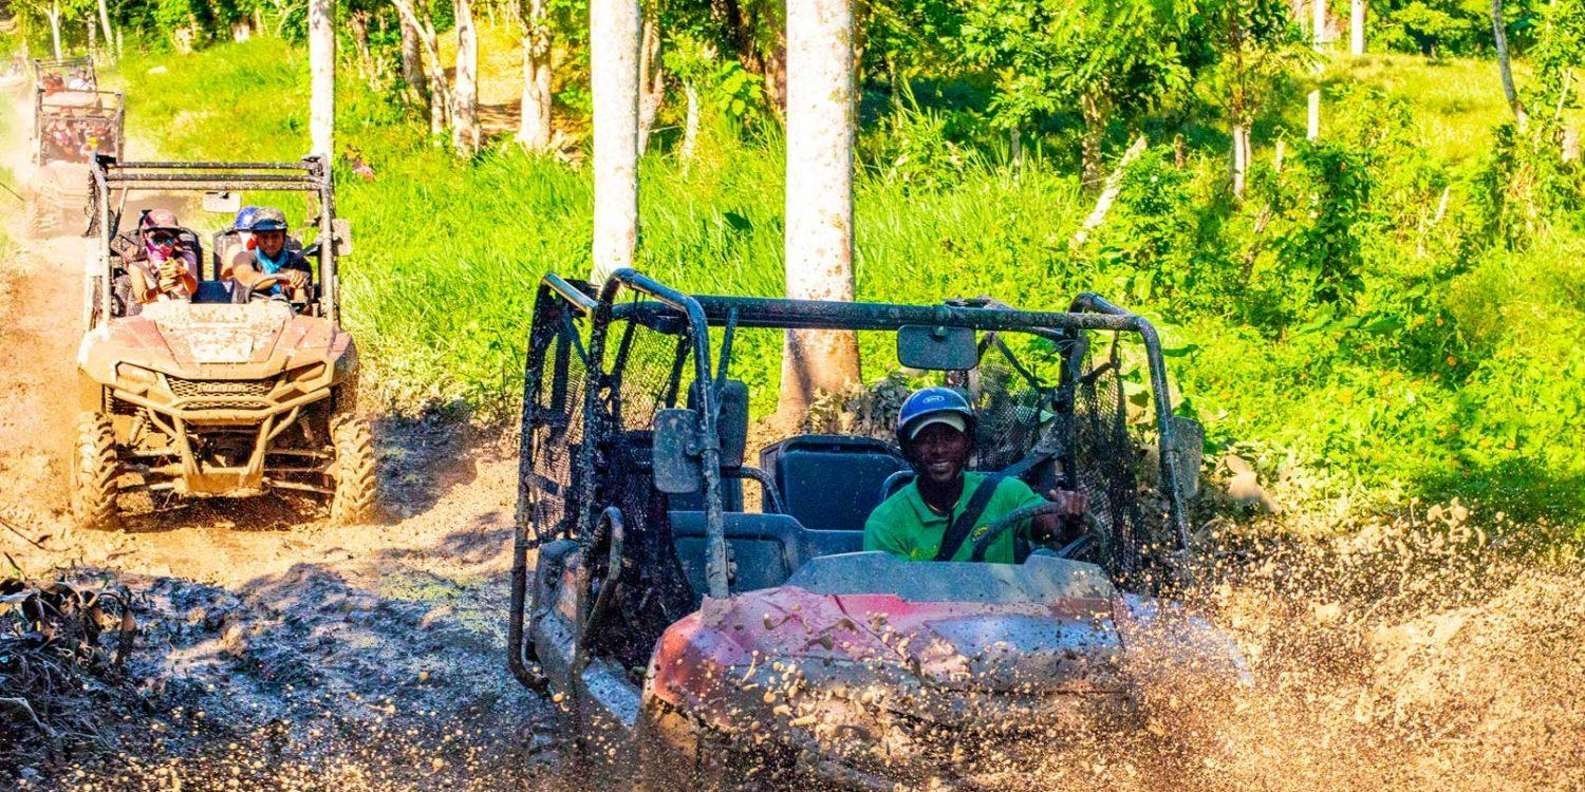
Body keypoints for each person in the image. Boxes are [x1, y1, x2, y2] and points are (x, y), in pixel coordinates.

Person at [863, 387, 1088, 564]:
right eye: (925, 439)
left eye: (950, 436)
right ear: (910, 448)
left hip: (1002, 618)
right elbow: (885, 603)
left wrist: (1067, 517)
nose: (939, 449)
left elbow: (1049, 528)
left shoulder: (1007, 493)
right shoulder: (886, 522)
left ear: (968, 442)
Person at [111, 209, 197, 309]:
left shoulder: (186, 258)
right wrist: (158, 290)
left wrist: (183, 273)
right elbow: (141, 297)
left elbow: (192, 289)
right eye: (157, 239)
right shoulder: (138, 266)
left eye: (168, 240)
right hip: (153, 317)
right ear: (145, 236)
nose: (163, 245)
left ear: (175, 239)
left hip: (183, 313)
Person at [221, 206, 311, 301]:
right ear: (255, 237)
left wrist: (299, 285)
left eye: (275, 237)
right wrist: (282, 277)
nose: (270, 243)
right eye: (264, 237)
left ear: (284, 237)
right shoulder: (242, 258)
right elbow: (248, 277)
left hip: (288, 313)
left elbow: (303, 307)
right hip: (247, 313)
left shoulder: (298, 263)